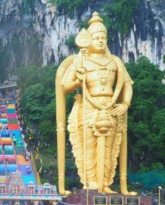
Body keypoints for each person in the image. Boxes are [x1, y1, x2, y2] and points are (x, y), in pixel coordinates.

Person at [57, 12, 134, 195]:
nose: (100, 40)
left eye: (103, 37)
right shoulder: (80, 60)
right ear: (88, 40)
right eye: (96, 37)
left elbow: (127, 84)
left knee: (109, 146)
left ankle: (106, 183)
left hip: (111, 105)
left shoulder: (115, 62)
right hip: (88, 107)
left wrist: (125, 103)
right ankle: (91, 183)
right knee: (88, 147)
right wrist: (78, 80)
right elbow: (65, 87)